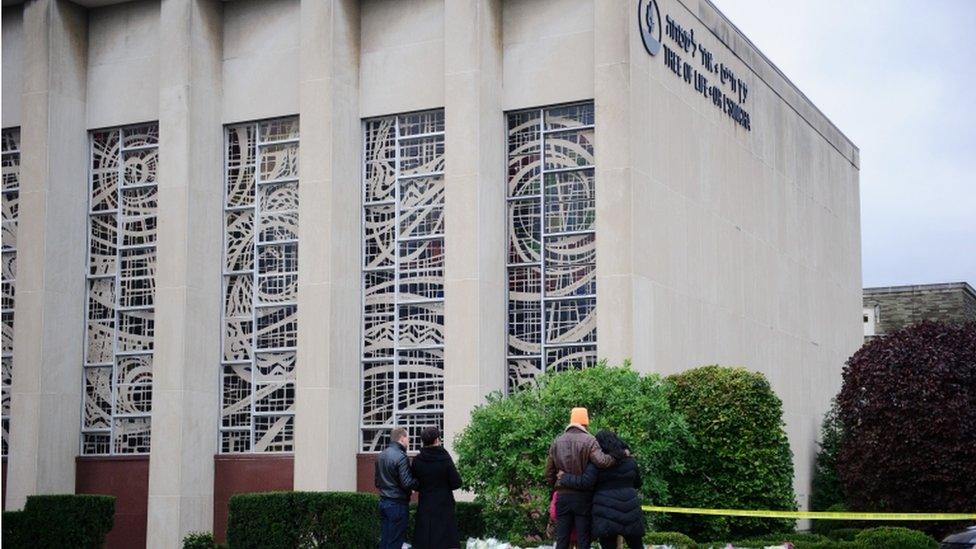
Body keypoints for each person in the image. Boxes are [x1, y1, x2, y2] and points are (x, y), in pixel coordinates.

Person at [556, 431, 645, 549]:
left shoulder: (597, 464)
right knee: (636, 545)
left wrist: (564, 477)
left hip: (606, 512)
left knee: (608, 545)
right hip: (630, 511)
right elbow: (638, 483)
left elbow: (585, 482)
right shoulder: (630, 461)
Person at [544, 407, 616, 549]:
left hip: (563, 497)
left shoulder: (557, 441)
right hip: (583, 498)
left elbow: (549, 472)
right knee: (583, 539)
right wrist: (617, 456)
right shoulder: (590, 441)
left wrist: (556, 486)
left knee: (562, 538)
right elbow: (602, 462)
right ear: (585, 423)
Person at [411, 426, 463, 549]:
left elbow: (415, 483)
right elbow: (456, 482)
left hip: (425, 503)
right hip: (444, 504)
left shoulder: (418, 460)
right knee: (445, 540)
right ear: (436, 440)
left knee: (426, 538)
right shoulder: (444, 457)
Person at [375, 427, 419, 549]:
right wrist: (418, 484)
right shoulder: (401, 457)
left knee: (385, 539)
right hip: (397, 505)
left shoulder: (381, 455)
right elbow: (407, 482)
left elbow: (377, 482)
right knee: (395, 542)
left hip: (384, 503)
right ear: (402, 438)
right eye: (408, 438)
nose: (409, 442)